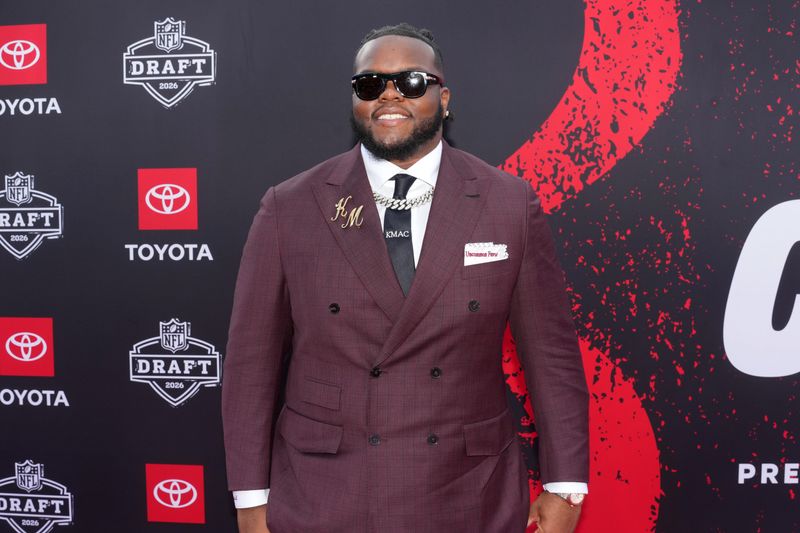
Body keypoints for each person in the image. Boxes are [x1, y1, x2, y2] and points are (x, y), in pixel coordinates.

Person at [222, 23, 589, 533]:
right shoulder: (290, 207)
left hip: (468, 488)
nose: (389, 95)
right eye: (369, 84)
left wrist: (565, 486)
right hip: (324, 492)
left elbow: (551, 356)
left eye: (412, 82)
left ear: (443, 98)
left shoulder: (508, 203)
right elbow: (249, 365)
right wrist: (249, 497)